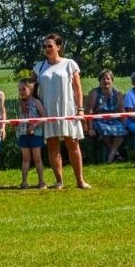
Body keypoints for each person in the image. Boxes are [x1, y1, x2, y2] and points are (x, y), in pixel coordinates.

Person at [33, 33, 91, 189]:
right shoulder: (39, 67)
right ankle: (59, 181)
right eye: (44, 46)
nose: (46, 49)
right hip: (48, 110)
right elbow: (32, 90)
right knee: (52, 145)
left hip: (68, 109)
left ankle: (80, 181)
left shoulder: (69, 64)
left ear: (58, 47)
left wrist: (80, 109)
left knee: (72, 143)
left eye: (50, 46)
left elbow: (78, 89)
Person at [84, 68, 126, 163]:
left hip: (113, 120)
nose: (106, 81)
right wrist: (90, 128)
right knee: (104, 131)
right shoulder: (95, 93)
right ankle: (115, 155)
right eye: (103, 79)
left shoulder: (117, 93)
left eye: (108, 79)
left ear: (112, 80)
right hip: (99, 119)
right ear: (99, 81)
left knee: (122, 130)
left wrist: (124, 124)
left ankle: (112, 154)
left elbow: (121, 109)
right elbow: (89, 111)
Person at [15, 77, 47, 189]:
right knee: (25, 158)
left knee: (37, 158)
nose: (21, 92)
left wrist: (34, 125)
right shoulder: (19, 103)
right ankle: (24, 182)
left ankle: (41, 181)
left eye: (23, 89)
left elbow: (44, 117)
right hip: (23, 134)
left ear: (31, 89)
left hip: (35, 134)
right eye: (19, 90)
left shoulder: (36, 102)